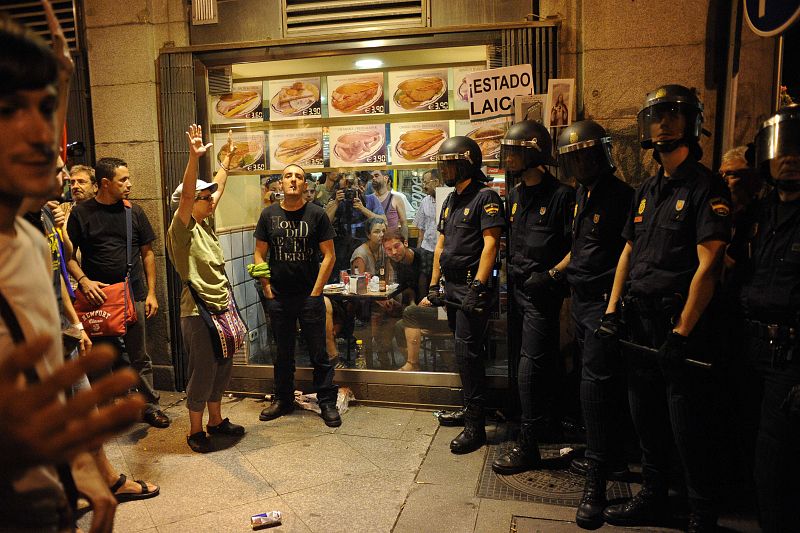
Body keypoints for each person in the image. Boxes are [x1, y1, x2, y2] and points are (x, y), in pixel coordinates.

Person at [0, 13, 145, 531]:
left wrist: (76, 465)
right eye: (9, 109)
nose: (41, 133)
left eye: (46, 109)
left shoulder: (28, 242)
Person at [599, 85, 731, 532]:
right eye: (657, 116)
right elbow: (628, 252)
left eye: (674, 114)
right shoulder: (646, 189)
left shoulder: (705, 186)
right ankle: (653, 497)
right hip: (640, 320)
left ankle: (701, 512)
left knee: (687, 425)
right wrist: (613, 311)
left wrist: (682, 333)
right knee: (646, 419)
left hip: (679, 324)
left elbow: (709, 264)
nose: (663, 123)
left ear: (692, 125)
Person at [553, 121, 635, 529]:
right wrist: (556, 274)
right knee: (591, 387)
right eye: (573, 158)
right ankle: (609, 456)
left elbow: (626, 253)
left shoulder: (621, 195)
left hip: (603, 302)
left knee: (597, 389)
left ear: (601, 153)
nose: (580, 164)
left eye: (586, 155)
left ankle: (597, 482)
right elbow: (579, 247)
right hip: (581, 298)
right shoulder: (579, 195)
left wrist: (612, 310)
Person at [491, 120, 574, 475]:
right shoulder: (514, 197)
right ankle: (539, 424)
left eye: (514, 152)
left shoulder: (562, 196)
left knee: (530, 366)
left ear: (534, 154)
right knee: (527, 363)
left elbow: (579, 246)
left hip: (543, 294)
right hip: (518, 292)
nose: (508, 158)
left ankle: (529, 444)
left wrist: (552, 274)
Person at [66, 156, 169, 429]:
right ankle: (106, 410)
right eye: (123, 179)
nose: (129, 184)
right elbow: (69, 257)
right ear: (104, 183)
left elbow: (148, 254)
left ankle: (150, 406)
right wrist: (84, 281)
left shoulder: (133, 212)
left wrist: (151, 293)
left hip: (131, 294)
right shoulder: (81, 213)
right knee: (102, 357)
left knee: (139, 355)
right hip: (97, 299)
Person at [739, 105, 800, 533]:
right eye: (783, 150)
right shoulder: (762, 214)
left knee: (775, 463)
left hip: (792, 354)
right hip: (753, 344)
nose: (790, 158)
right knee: (750, 452)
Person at [166, 125, 245, 453]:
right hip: (197, 312)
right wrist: (193, 158)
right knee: (204, 369)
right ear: (188, 202)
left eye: (209, 195)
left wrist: (225, 163)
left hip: (221, 307)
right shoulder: (181, 229)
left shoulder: (205, 223)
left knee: (224, 365)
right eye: (204, 196)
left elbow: (218, 189)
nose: (211, 199)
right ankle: (195, 429)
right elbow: (187, 195)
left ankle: (216, 420)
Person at [425, 136, 505, 454]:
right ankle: (469, 410)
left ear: (466, 163)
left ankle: (476, 427)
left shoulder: (486, 197)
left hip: (473, 287)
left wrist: (479, 287)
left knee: (469, 355)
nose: (444, 168)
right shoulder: (451, 200)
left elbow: (491, 245)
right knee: (462, 355)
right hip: (453, 287)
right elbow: (440, 246)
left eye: (449, 163)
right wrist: (433, 284)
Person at [254, 164, 340, 427]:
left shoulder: (317, 215)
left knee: (318, 352)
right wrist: (267, 287)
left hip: (308, 296)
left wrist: (316, 291)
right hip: (279, 296)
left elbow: (329, 256)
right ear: (280, 183)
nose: (293, 180)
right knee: (282, 352)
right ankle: (283, 399)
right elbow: (259, 254)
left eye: (298, 177)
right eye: (288, 176)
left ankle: (326, 401)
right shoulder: (268, 215)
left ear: (305, 185)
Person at [383, 233, 444, 371]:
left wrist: (425, 300)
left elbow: (434, 286)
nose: (393, 252)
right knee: (398, 325)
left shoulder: (426, 257)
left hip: (443, 312)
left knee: (409, 313)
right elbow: (408, 288)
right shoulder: (397, 262)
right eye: (388, 249)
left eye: (396, 246)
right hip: (421, 312)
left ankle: (413, 364)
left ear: (405, 243)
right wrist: (408, 302)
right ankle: (414, 366)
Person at [371, 169, 408, 240]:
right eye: (372, 177)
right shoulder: (369, 199)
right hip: (374, 244)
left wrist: (405, 243)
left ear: (386, 178)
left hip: (391, 243)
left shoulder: (396, 198)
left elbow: (404, 223)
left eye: (376, 176)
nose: (373, 178)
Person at [414, 169, 440, 252]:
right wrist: (419, 250)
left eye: (426, 183)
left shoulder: (450, 199)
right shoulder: (425, 201)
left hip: (445, 250)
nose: (423, 186)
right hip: (427, 248)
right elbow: (421, 228)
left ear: (436, 182)